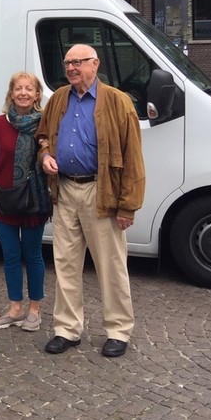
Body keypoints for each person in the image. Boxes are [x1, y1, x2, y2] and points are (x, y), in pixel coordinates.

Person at [36, 44, 145, 358]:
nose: (71, 68)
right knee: (66, 264)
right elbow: (43, 136)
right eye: (68, 62)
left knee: (110, 265)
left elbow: (133, 157)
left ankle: (118, 331)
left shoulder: (117, 101)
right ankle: (67, 330)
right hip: (65, 191)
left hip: (102, 192)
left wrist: (127, 205)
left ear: (95, 64)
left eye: (78, 62)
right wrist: (45, 156)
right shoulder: (58, 98)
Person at [0, 71, 49, 333]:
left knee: (32, 255)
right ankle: (15, 308)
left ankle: (34, 308)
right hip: (5, 199)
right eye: (18, 88)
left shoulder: (44, 123)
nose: (23, 93)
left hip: (33, 200)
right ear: (11, 93)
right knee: (10, 256)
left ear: (37, 94)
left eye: (28, 89)